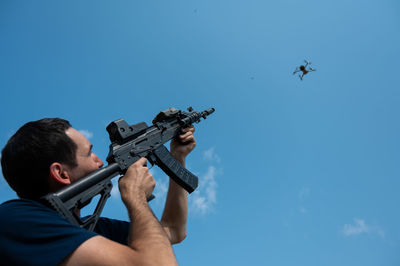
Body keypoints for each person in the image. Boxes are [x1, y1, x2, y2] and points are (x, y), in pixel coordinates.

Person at [0, 117, 196, 265]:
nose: (100, 161)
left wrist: (178, 157)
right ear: (61, 173)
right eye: (89, 153)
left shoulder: (92, 229)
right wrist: (136, 198)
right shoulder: (14, 221)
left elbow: (173, 231)